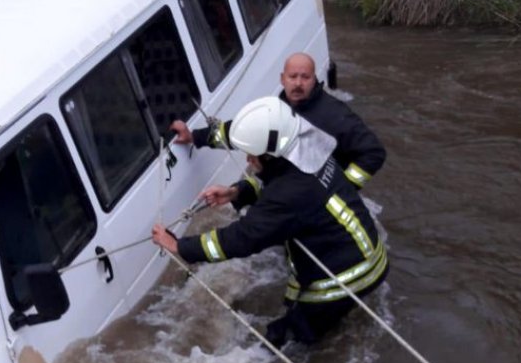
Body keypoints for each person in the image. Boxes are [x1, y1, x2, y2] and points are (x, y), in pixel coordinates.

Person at [153, 96, 389, 345]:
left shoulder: (289, 193)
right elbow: (284, 188)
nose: (248, 160)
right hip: (368, 253)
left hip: (347, 277)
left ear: (270, 156)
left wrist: (180, 246)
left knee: (289, 339)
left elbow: (241, 239)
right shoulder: (306, 147)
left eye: (252, 155)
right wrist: (237, 191)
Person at [168, 52, 385, 190]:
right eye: (293, 77)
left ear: (314, 80)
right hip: (291, 191)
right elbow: (243, 133)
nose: (298, 83)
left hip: (322, 200)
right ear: (282, 79)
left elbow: (373, 152)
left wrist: (345, 187)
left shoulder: (334, 115)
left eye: (305, 77)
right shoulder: (278, 109)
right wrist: (194, 137)